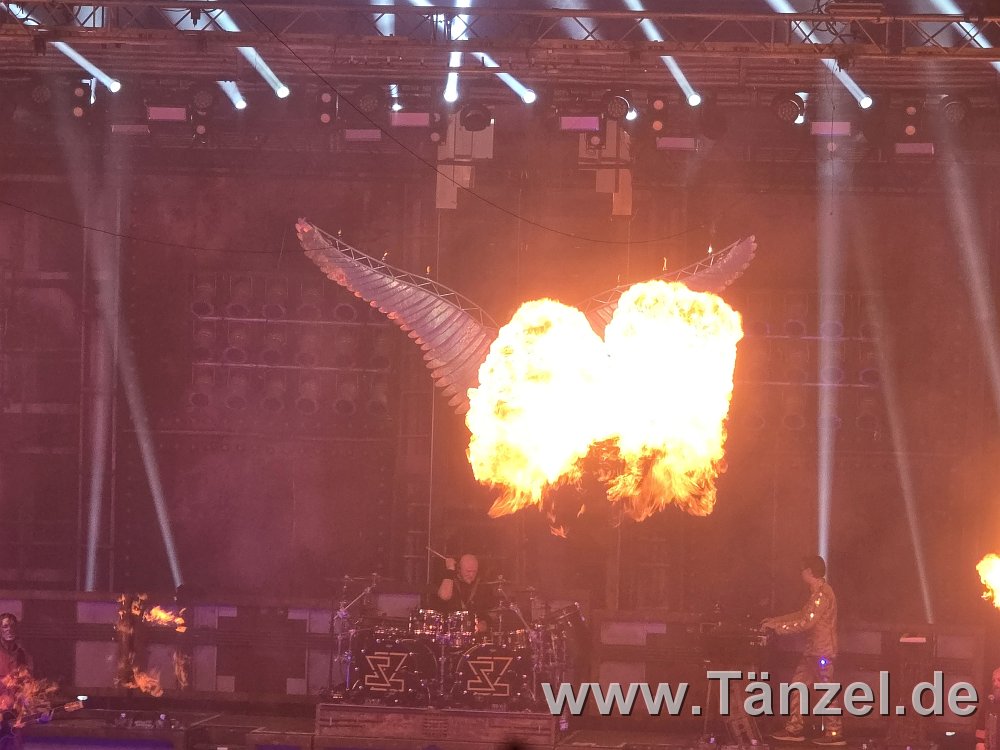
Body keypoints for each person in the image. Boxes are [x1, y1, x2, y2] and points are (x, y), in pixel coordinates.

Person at [761, 555, 844, 746]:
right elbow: (802, 614)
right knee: (798, 686)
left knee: (825, 690)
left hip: (822, 651)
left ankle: (834, 732)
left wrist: (779, 629)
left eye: (802, 570)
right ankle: (794, 728)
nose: (800, 574)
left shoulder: (822, 595)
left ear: (809, 572)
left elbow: (807, 622)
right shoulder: (817, 594)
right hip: (813, 651)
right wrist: (776, 621)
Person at [432, 554, 497, 630]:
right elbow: (444, 596)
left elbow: (492, 610)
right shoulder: (449, 580)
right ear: (459, 569)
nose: (471, 575)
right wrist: (450, 570)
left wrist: (485, 622)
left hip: (475, 630)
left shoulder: (482, 585)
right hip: (449, 629)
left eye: (474, 571)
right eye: (468, 571)